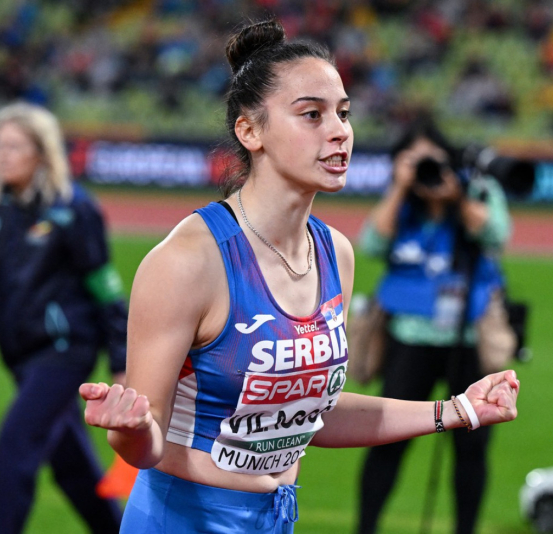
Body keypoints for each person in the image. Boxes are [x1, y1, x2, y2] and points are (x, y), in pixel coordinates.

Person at [79, 19, 520, 534]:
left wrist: (459, 409)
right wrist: (130, 428)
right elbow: (144, 441)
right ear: (250, 131)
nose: (339, 131)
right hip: (183, 519)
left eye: (343, 113)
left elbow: (314, 415)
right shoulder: (188, 261)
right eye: (312, 114)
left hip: (277, 517)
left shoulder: (336, 254)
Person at [0, 102, 126, 533]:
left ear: (41, 153)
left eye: (14, 146)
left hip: (66, 350)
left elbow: (104, 286)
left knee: (16, 444)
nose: (2, 155)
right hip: (19, 355)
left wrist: (121, 361)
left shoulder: (73, 208)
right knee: (72, 465)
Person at [356, 117, 513, 534]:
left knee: (472, 443)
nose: (426, 169)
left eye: (433, 160)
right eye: (414, 160)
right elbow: (372, 242)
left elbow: (496, 235)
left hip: (468, 336)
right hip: (408, 336)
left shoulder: (476, 189)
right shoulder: (402, 202)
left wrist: (457, 198)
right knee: (387, 439)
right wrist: (401, 187)